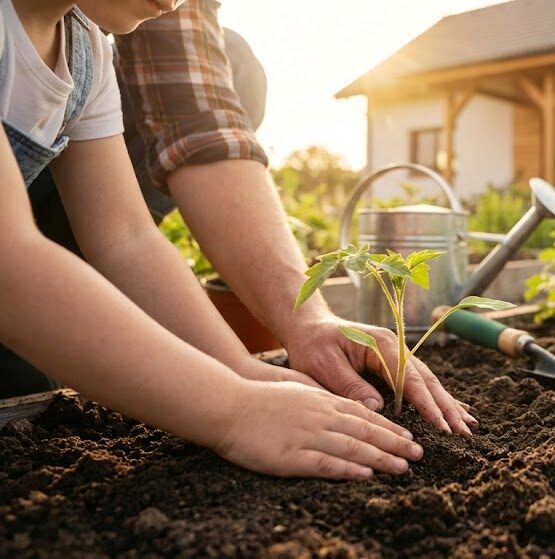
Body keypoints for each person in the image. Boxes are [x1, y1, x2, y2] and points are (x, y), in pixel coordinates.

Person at [0, 0, 431, 480]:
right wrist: (232, 411)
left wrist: (243, 373)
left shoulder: (88, 55)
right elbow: (9, 261)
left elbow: (126, 239)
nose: (175, 3)